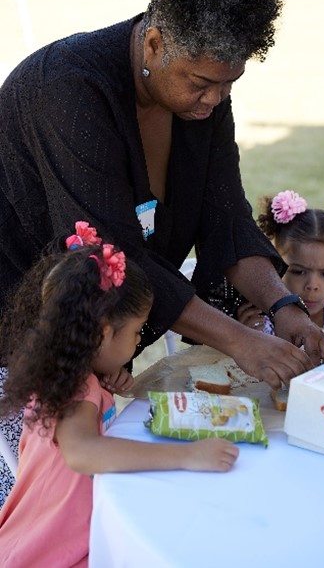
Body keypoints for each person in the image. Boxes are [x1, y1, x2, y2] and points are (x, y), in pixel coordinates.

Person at [0, 0, 324, 499]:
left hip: (95, 351)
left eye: (228, 85)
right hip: (19, 349)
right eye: (202, 83)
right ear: (154, 43)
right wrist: (240, 341)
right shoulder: (67, 90)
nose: (214, 102)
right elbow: (113, 253)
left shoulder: (203, 99)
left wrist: (285, 308)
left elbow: (227, 217)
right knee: (36, 502)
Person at [0, 223, 239, 567]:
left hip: (50, 534)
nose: (137, 341)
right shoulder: (78, 387)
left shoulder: (66, 373)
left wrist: (103, 384)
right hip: (55, 551)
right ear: (103, 334)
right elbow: (82, 452)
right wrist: (188, 456)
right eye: (137, 331)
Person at [237, 190, 324, 338]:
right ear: (275, 264)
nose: (312, 285)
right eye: (298, 272)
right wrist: (246, 334)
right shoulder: (261, 317)